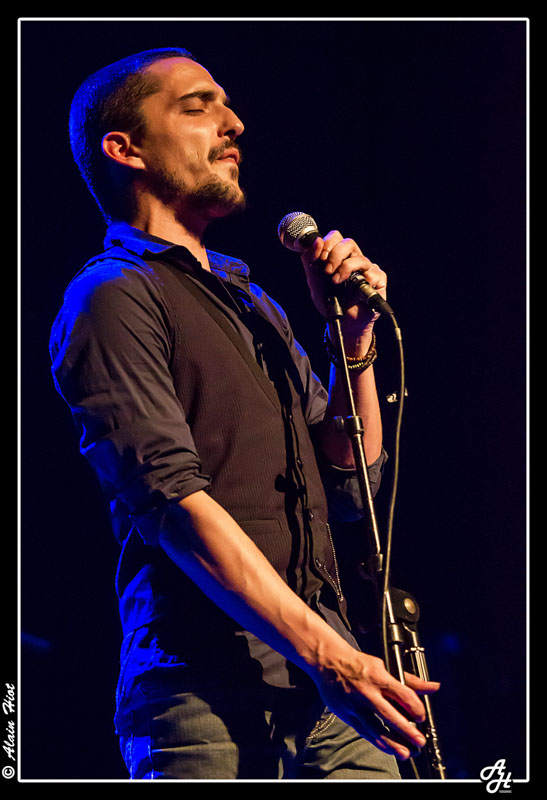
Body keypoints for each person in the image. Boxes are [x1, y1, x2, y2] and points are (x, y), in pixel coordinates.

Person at [49, 47, 439, 780]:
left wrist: (352, 342)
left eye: (227, 108)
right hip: (207, 693)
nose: (233, 125)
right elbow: (173, 503)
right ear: (124, 148)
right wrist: (331, 657)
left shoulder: (253, 301)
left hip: (329, 688)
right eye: (197, 107)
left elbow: (351, 479)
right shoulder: (112, 296)